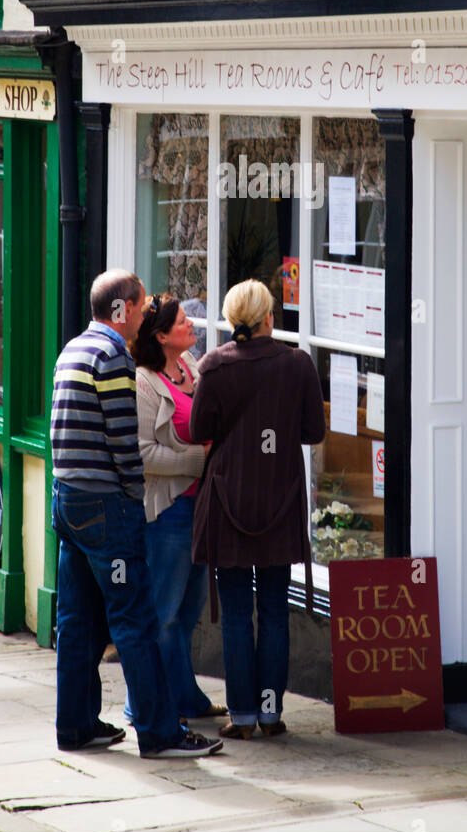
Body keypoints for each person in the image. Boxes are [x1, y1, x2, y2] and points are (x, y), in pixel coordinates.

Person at [50, 268, 222, 758]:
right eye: (143, 305)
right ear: (121, 309)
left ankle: (76, 726)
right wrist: (131, 499)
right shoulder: (113, 358)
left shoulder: (73, 350)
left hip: (68, 500)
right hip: (107, 507)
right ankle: (160, 732)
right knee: (136, 620)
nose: (147, 314)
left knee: (77, 622)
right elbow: (125, 445)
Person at [189, 279, 326, 739]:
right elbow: (313, 432)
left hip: (228, 498)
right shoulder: (297, 364)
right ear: (270, 317)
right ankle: (270, 714)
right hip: (279, 499)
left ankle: (244, 716)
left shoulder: (214, 366)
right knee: (273, 611)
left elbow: (198, 430)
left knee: (234, 614)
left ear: (231, 320)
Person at [129, 294, 226, 721]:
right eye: (184, 321)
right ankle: (148, 705)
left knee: (188, 613)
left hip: (201, 508)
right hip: (168, 512)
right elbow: (142, 453)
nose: (192, 326)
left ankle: (184, 697)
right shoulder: (144, 383)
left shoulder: (189, 366)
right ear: (161, 336)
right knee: (163, 614)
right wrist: (197, 460)